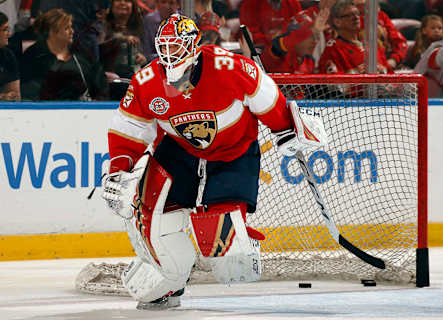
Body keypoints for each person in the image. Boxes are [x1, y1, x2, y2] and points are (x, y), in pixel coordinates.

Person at [101, 13, 326, 309]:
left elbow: (271, 102)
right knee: (155, 227)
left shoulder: (230, 68)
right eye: (164, 46)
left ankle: (240, 241)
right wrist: (119, 170)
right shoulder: (147, 81)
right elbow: (128, 131)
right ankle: (169, 281)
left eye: (176, 46)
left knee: (233, 262)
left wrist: (287, 127)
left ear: (194, 46)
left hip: (232, 152)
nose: (169, 54)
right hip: (177, 153)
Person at [20, 8, 107, 100]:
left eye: (71, 27)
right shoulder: (34, 55)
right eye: (67, 28)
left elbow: (101, 83)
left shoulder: (81, 53)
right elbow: (27, 90)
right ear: (52, 32)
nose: (72, 31)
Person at [318, 0, 391, 74]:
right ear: (337, 22)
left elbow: (391, 74)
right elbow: (333, 83)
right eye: (349, 15)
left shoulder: (371, 45)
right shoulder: (333, 50)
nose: (356, 17)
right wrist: (357, 72)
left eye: (357, 14)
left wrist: (382, 71)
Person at [259, 5, 331, 73]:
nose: (315, 41)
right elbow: (284, 43)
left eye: (317, 37)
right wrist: (311, 30)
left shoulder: (309, 61)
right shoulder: (276, 55)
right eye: (311, 37)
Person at [353, 0, 408, 71]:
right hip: (358, 65)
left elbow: (400, 42)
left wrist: (394, 59)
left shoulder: (381, 16)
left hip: (385, 63)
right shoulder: (345, 20)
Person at [99, 0, 146, 80]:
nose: (122, 3)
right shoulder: (102, 25)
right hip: (108, 78)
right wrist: (121, 39)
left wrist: (142, 58)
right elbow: (100, 47)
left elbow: (143, 53)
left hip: (132, 77)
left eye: (127, 1)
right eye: (118, 0)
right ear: (111, 4)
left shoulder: (138, 27)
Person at [0, 12, 21, 101]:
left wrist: (9, 96)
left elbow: (15, 96)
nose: (8, 34)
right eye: (5, 30)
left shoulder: (7, 55)